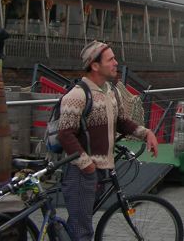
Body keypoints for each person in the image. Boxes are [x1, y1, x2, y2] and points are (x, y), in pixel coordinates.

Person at [59, 40, 159, 241]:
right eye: (111, 59)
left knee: (81, 222)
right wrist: (87, 165)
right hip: (81, 172)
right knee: (82, 230)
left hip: (102, 169)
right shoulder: (77, 95)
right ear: (95, 65)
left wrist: (146, 132)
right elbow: (65, 134)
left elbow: (121, 122)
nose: (116, 63)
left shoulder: (111, 92)